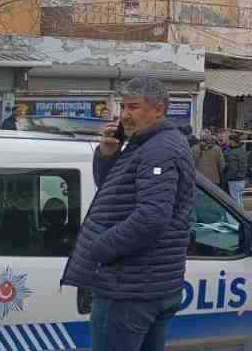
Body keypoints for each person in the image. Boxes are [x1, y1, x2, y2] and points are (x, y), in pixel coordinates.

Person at [61, 77, 195, 351]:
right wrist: (109, 154)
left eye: (133, 107)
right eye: (123, 107)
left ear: (158, 110)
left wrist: (100, 247)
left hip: (128, 289)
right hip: (147, 286)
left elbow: (152, 217)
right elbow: (114, 194)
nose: (125, 115)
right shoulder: (145, 144)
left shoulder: (158, 149)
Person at [224, 132, 251, 205]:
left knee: (235, 200)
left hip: (234, 179)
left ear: (233, 141)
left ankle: (238, 215)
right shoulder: (242, 150)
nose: (228, 142)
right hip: (241, 179)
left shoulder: (233, 152)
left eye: (229, 140)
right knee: (239, 199)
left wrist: (228, 176)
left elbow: (232, 167)